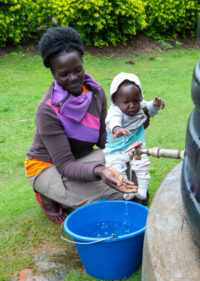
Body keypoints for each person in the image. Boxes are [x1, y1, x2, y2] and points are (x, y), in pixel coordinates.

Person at [24, 27, 137, 223]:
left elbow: (102, 136)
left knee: (133, 181)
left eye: (78, 70)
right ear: (53, 73)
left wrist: (124, 136)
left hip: (80, 157)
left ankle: (68, 194)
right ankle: (47, 193)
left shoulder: (95, 91)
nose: (74, 78)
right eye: (64, 74)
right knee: (115, 200)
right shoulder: (48, 110)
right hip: (48, 166)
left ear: (83, 63)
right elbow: (65, 164)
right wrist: (100, 170)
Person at [104, 72, 165, 203]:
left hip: (136, 148)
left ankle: (142, 190)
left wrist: (155, 105)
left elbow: (149, 109)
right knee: (117, 169)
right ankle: (126, 191)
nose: (132, 105)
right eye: (126, 102)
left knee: (142, 164)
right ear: (115, 100)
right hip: (117, 151)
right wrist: (117, 129)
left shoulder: (140, 106)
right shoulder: (115, 111)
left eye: (135, 101)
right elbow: (112, 121)